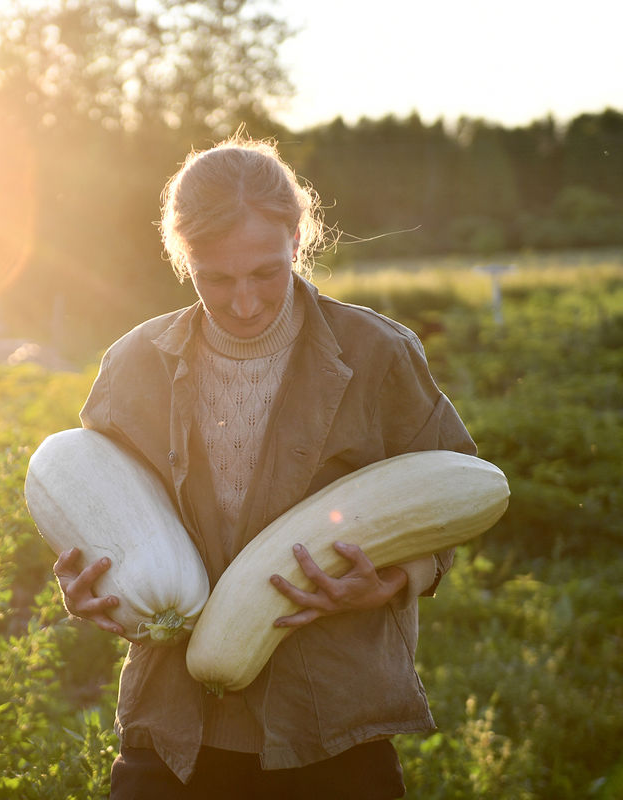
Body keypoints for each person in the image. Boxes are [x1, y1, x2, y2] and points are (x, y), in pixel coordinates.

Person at [51, 134, 476, 799]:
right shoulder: (132, 368)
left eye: (266, 273)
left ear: (298, 241)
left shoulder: (378, 354)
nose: (244, 301)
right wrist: (86, 584)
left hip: (333, 721)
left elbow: (455, 491)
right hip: (175, 728)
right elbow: (92, 506)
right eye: (217, 278)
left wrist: (400, 577)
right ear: (181, 256)